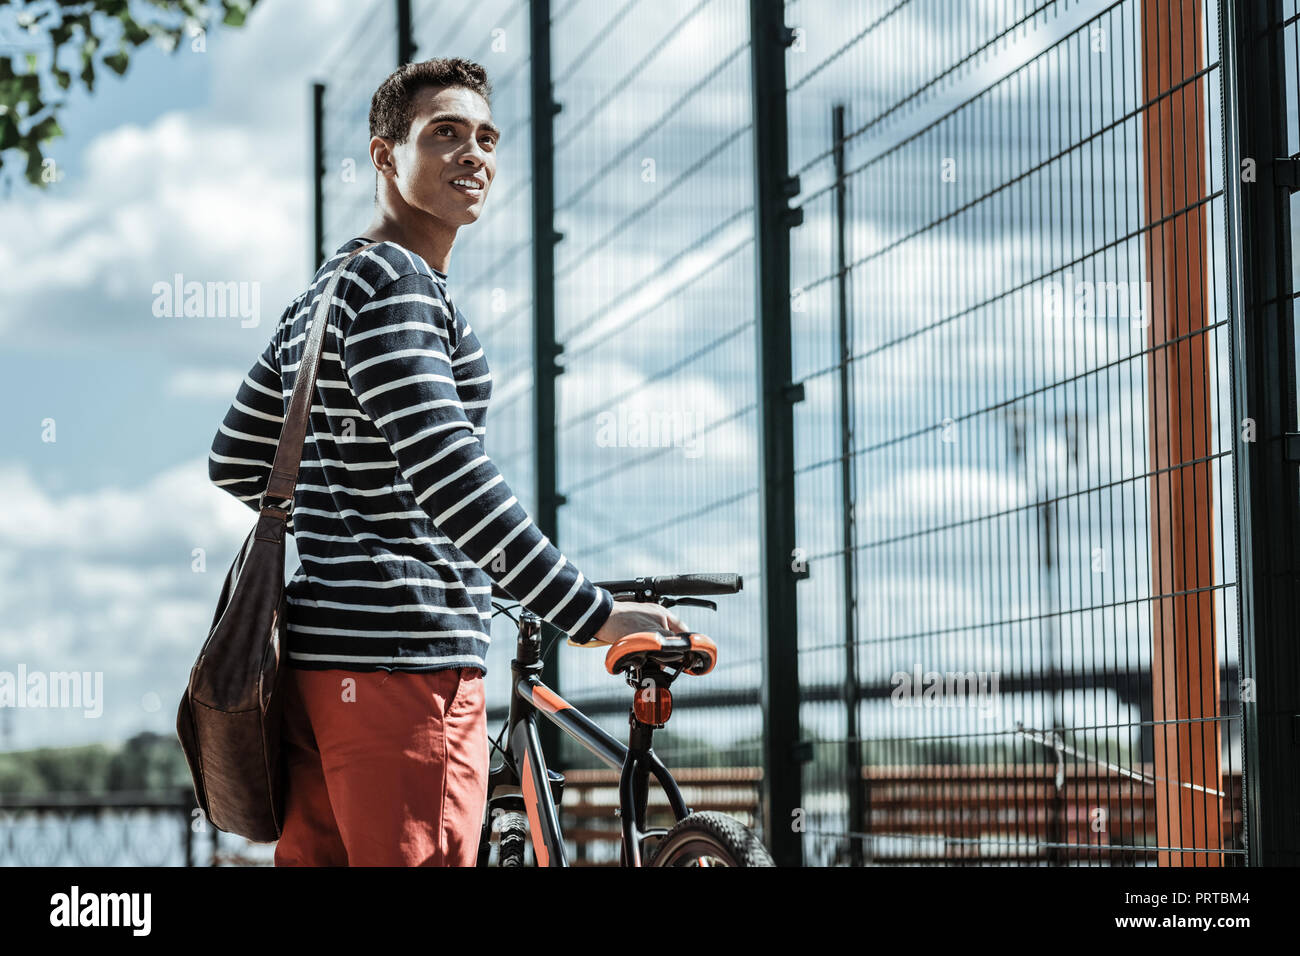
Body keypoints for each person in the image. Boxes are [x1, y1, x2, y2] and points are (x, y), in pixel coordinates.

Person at [207, 56, 686, 866]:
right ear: (385, 155)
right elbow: (451, 476)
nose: (475, 154)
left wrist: (352, 513)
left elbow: (234, 456)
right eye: (445, 134)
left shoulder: (326, 291)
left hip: (317, 669)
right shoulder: (400, 287)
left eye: (487, 138)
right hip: (405, 664)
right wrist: (592, 613)